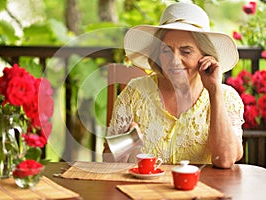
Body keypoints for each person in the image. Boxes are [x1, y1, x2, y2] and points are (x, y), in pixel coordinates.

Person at [103, 2, 244, 169]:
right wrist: (128, 141)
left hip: (202, 192)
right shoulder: (134, 92)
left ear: (205, 56)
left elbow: (225, 160)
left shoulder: (227, 97)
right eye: (166, 51)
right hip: (145, 193)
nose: (174, 60)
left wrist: (214, 91)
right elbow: (107, 163)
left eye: (186, 51)